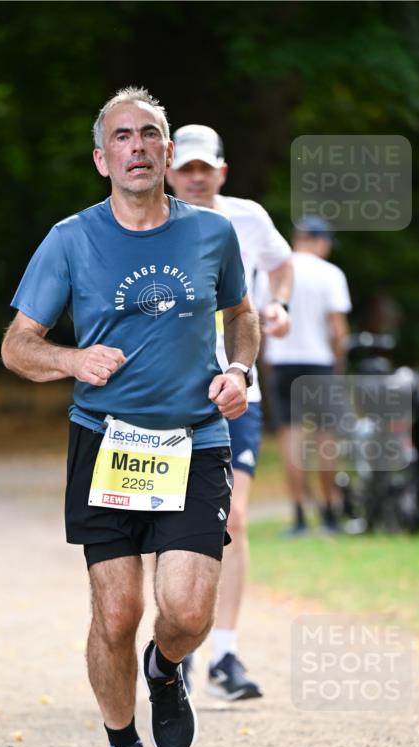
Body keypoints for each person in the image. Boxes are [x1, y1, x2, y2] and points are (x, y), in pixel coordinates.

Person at [1, 87, 258, 747]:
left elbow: (240, 315)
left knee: (186, 614)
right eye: (122, 136)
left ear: (169, 154)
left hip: (194, 439)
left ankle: (166, 668)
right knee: (114, 614)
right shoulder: (69, 239)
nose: (137, 146)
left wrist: (239, 370)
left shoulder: (211, 234)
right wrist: (71, 361)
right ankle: (122, 746)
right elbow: (17, 346)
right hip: (105, 441)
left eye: (150, 134)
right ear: (101, 157)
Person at [167, 124, 292, 700]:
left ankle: (225, 655)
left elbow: (280, 263)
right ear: (169, 169)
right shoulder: (146, 221)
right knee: (165, 524)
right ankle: (176, 649)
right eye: (185, 167)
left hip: (239, 390)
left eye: (204, 168)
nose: (195, 177)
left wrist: (279, 304)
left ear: (222, 170)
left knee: (232, 520)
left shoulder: (247, 216)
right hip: (167, 395)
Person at [258, 215, 351, 535]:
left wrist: (266, 361)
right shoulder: (330, 274)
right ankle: (329, 512)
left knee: (291, 436)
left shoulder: (272, 270)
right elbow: (338, 330)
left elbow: (261, 323)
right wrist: (338, 365)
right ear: (319, 240)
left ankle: (298, 516)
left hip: (282, 361)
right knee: (326, 437)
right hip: (318, 362)